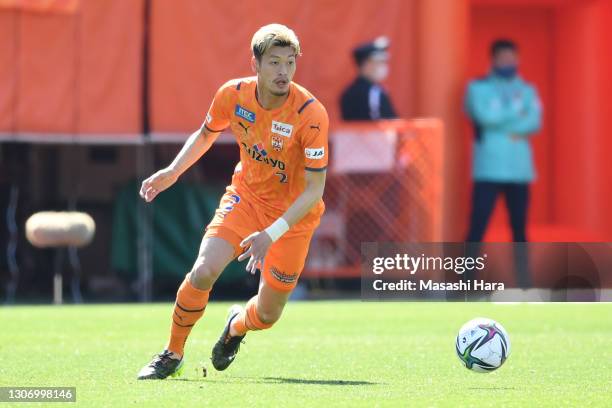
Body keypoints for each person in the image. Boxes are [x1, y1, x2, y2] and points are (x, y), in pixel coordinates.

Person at [136, 24, 328, 380]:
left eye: (290, 62)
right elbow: (207, 133)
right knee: (204, 270)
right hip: (246, 198)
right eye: (273, 62)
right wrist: (174, 171)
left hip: (293, 217)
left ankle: (236, 327)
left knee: (268, 316)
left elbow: (314, 189)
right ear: (255, 64)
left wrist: (271, 234)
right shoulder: (232, 95)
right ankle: (172, 353)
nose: (283, 71)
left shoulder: (311, 115)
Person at [465, 39, 542, 243]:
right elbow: (484, 118)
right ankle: (466, 274)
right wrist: (516, 111)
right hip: (489, 168)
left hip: (518, 168)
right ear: (493, 59)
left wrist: (500, 119)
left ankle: (522, 273)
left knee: (519, 228)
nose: (508, 62)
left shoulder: (527, 89)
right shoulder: (477, 87)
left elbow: (533, 122)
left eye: (512, 58)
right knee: (478, 225)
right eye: (503, 58)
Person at [340, 36, 397, 120]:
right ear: (365, 65)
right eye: (379, 62)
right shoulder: (374, 92)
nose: (383, 66)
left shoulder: (347, 92)